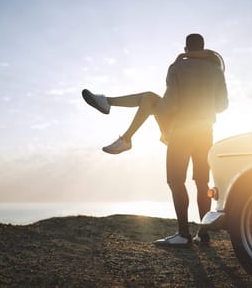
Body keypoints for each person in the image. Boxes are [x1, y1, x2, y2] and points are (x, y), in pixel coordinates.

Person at [82, 33, 228, 246]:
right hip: (205, 131)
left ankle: (183, 235)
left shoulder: (177, 68)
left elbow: (168, 106)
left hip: (181, 131)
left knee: (176, 180)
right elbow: (222, 105)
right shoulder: (216, 70)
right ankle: (203, 234)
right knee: (202, 182)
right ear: (203, 47)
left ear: (186, 49)